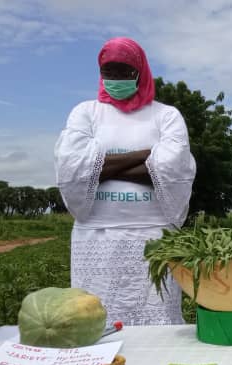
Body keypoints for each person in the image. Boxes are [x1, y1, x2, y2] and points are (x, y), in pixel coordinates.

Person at [55, 37, 196, 325]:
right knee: (94, 319)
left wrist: (98, 165)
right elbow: (71, 167)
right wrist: (147, 156)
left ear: (140, 72)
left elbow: (173, 168)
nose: (116, 78)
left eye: (124, 72)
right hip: (96, 238)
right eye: (109, 72)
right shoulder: (86, 112)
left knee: (158, 318)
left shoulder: (165, 116)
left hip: (153, 237)